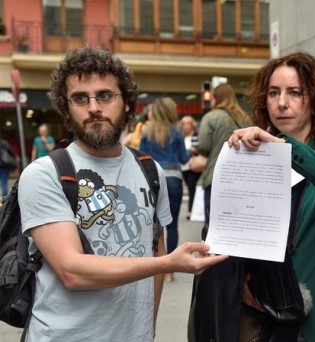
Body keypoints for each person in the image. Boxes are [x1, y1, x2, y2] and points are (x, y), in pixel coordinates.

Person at [19, 46, 227, 341]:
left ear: (128, 103)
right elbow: (73, 271)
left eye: (105, 95)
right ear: (66, 109)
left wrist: (148, 329)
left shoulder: (150, 171)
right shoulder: (44, 174)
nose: (94, 107)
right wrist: (170, 264)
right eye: (80, 98)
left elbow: (155, 247)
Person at [188, 52, 315, 341]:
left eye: (295, 93)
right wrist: (240, 283)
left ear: (314, 100)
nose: (282, 103)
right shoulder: (248, 152)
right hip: (262, 310)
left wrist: (284, 148)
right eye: (274, 93)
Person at [139, 97, 192, 283]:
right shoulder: (176, 133)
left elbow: (142, 158)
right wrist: (192, 151)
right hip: (174, 179)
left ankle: (154, 266)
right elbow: (184, 159)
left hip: (153, 180)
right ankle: (170, 270)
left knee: (154, 225)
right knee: (172, 225)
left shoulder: (147, 132)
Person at [197, 83, 253, 225]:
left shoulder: (210, 117)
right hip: (242, 179)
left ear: (215, 98)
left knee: (213, 228)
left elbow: (203, 146)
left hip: (216, 176)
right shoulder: (246, 119)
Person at [178, 115, 202, 220]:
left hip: (193, 165)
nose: (186, 126)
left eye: (188, 123)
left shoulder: (196, 135)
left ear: (192, 125)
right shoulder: (180, 137)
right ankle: (193, 209)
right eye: (184, 124)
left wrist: (194, 150)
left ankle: (190, 210)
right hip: (183, 166)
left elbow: (199, 148)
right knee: (189, 186)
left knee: (192, 187)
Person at [0, 132, 17, 197]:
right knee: (4, 183)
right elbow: (11, 152)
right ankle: (5, 199)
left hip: (3, 165)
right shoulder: (4, 143)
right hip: (4, 165)